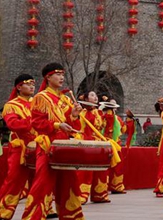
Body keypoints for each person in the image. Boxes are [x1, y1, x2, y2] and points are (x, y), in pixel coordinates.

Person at [21, 63, 85, 220]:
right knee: (42, 184)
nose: (61, 77)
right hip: (47, 146)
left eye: (62, 74)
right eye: (57, 74)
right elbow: (36, 123)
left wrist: (74, 115)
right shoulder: (41, 98)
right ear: (48, 77)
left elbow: (73, 127)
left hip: (64, 147)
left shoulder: (64, 99)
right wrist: (57, 125)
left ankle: (72, 217)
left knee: (69, 184)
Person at [0, 74, 38, 219]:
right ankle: (4, 211)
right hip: (19, 147)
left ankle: (40, 210)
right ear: (19, 87)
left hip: (37, 147)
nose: (32, 87)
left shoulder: (37, 103)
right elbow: (13, 124)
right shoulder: (12, 105)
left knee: (39, 180)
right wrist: (32, 121)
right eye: (28, 84)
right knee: (14, 180)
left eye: (33, 84)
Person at [77, 90, 111, 205]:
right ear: (86, 99)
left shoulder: (98, 112)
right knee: (86, 170)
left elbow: (102, 126)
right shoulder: (82, 112)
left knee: (101, 169)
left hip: (98, 142)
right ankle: (82, 194)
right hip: (86, 141)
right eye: (92, 95)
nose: (95, 97)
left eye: (96, 95)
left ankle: (99, 194)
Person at [101, 98, 126, 194]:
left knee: (117, 166)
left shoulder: (118, 119)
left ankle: (117, 185)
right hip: (106, 143)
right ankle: (106, 187)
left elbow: (123, 130)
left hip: (116, 144)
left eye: (114, 106)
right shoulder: (103, 117)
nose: (112, 109)